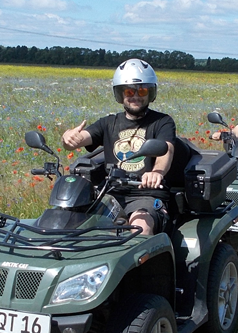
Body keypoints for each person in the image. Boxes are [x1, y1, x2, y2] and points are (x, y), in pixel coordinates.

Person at [62, 58, 175, 236]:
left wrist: (157, 172)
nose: (136, 96)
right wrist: (70, 138)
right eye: (129, 91)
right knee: (69, 222)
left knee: (140, 228)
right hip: (110, 193)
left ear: (150, 92)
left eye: (142, 90)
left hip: (145, 195)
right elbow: (82, 138)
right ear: (120, 93)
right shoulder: (108, 123)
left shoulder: (162, 122)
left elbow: (166, 149)